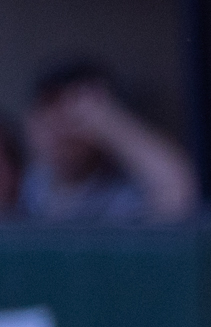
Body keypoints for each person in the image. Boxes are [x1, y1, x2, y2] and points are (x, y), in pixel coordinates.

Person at [19, 60, 197, 223]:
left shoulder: (121, 198)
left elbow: (177, 197)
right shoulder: (27, 184)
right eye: (47, 110)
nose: (57, 128)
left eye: (74, 118)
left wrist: (108, 122)